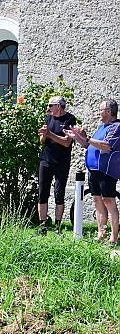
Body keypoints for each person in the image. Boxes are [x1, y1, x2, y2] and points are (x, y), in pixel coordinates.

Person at [65, 98, 120, 244]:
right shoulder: (101, 127)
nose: (99, 113)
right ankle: (101, 233)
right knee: (97, 200)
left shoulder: (116, 126)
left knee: (108, 201)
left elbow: (107, 145)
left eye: (101, 110)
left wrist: (87, 137)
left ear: (108, 111)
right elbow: (87, 145)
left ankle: (114, 237)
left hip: (106, 171)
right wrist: (76, 136)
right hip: (94, 171)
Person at [37, 96, 76, 234]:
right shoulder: (49, 118)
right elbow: (42, 140)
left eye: (50, 105)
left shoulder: (70, 120)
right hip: (46, 159)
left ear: (58, 106)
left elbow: (66, 142)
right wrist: (43, 135)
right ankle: (43, 227)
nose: (48, 108)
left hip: (61, 162)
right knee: (42, 193)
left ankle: (58, 227)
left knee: (59, 193)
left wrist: (50, 134)